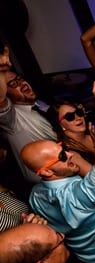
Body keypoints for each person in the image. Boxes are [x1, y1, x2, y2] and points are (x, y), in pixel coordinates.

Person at [21, 81, 95, 263]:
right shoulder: (77, 195)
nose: (70, 154)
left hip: (89, 259)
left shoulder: (35, 195)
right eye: (63, 155)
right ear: (46, 171)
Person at [0, 47, 57, 183]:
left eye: (19, 79)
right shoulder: (12, 120)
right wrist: (2, 68)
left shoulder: (38, 104)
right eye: (13, 84)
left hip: (68, 167)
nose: (21, 83)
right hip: (48, 182)